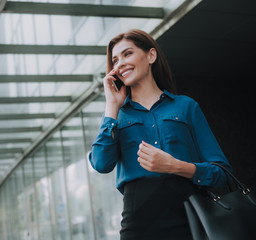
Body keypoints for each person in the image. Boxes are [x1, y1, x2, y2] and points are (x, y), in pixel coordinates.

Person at [88, 29, 232, 240]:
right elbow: (101, 164)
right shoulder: (116, 116)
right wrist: (112, 106)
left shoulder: (186, 106)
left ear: (151, 56)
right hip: (139, 224)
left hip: (192, 217)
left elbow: (223, 174)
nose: (120, 64)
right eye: (115, 60)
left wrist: (175, 166)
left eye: (127, 54)